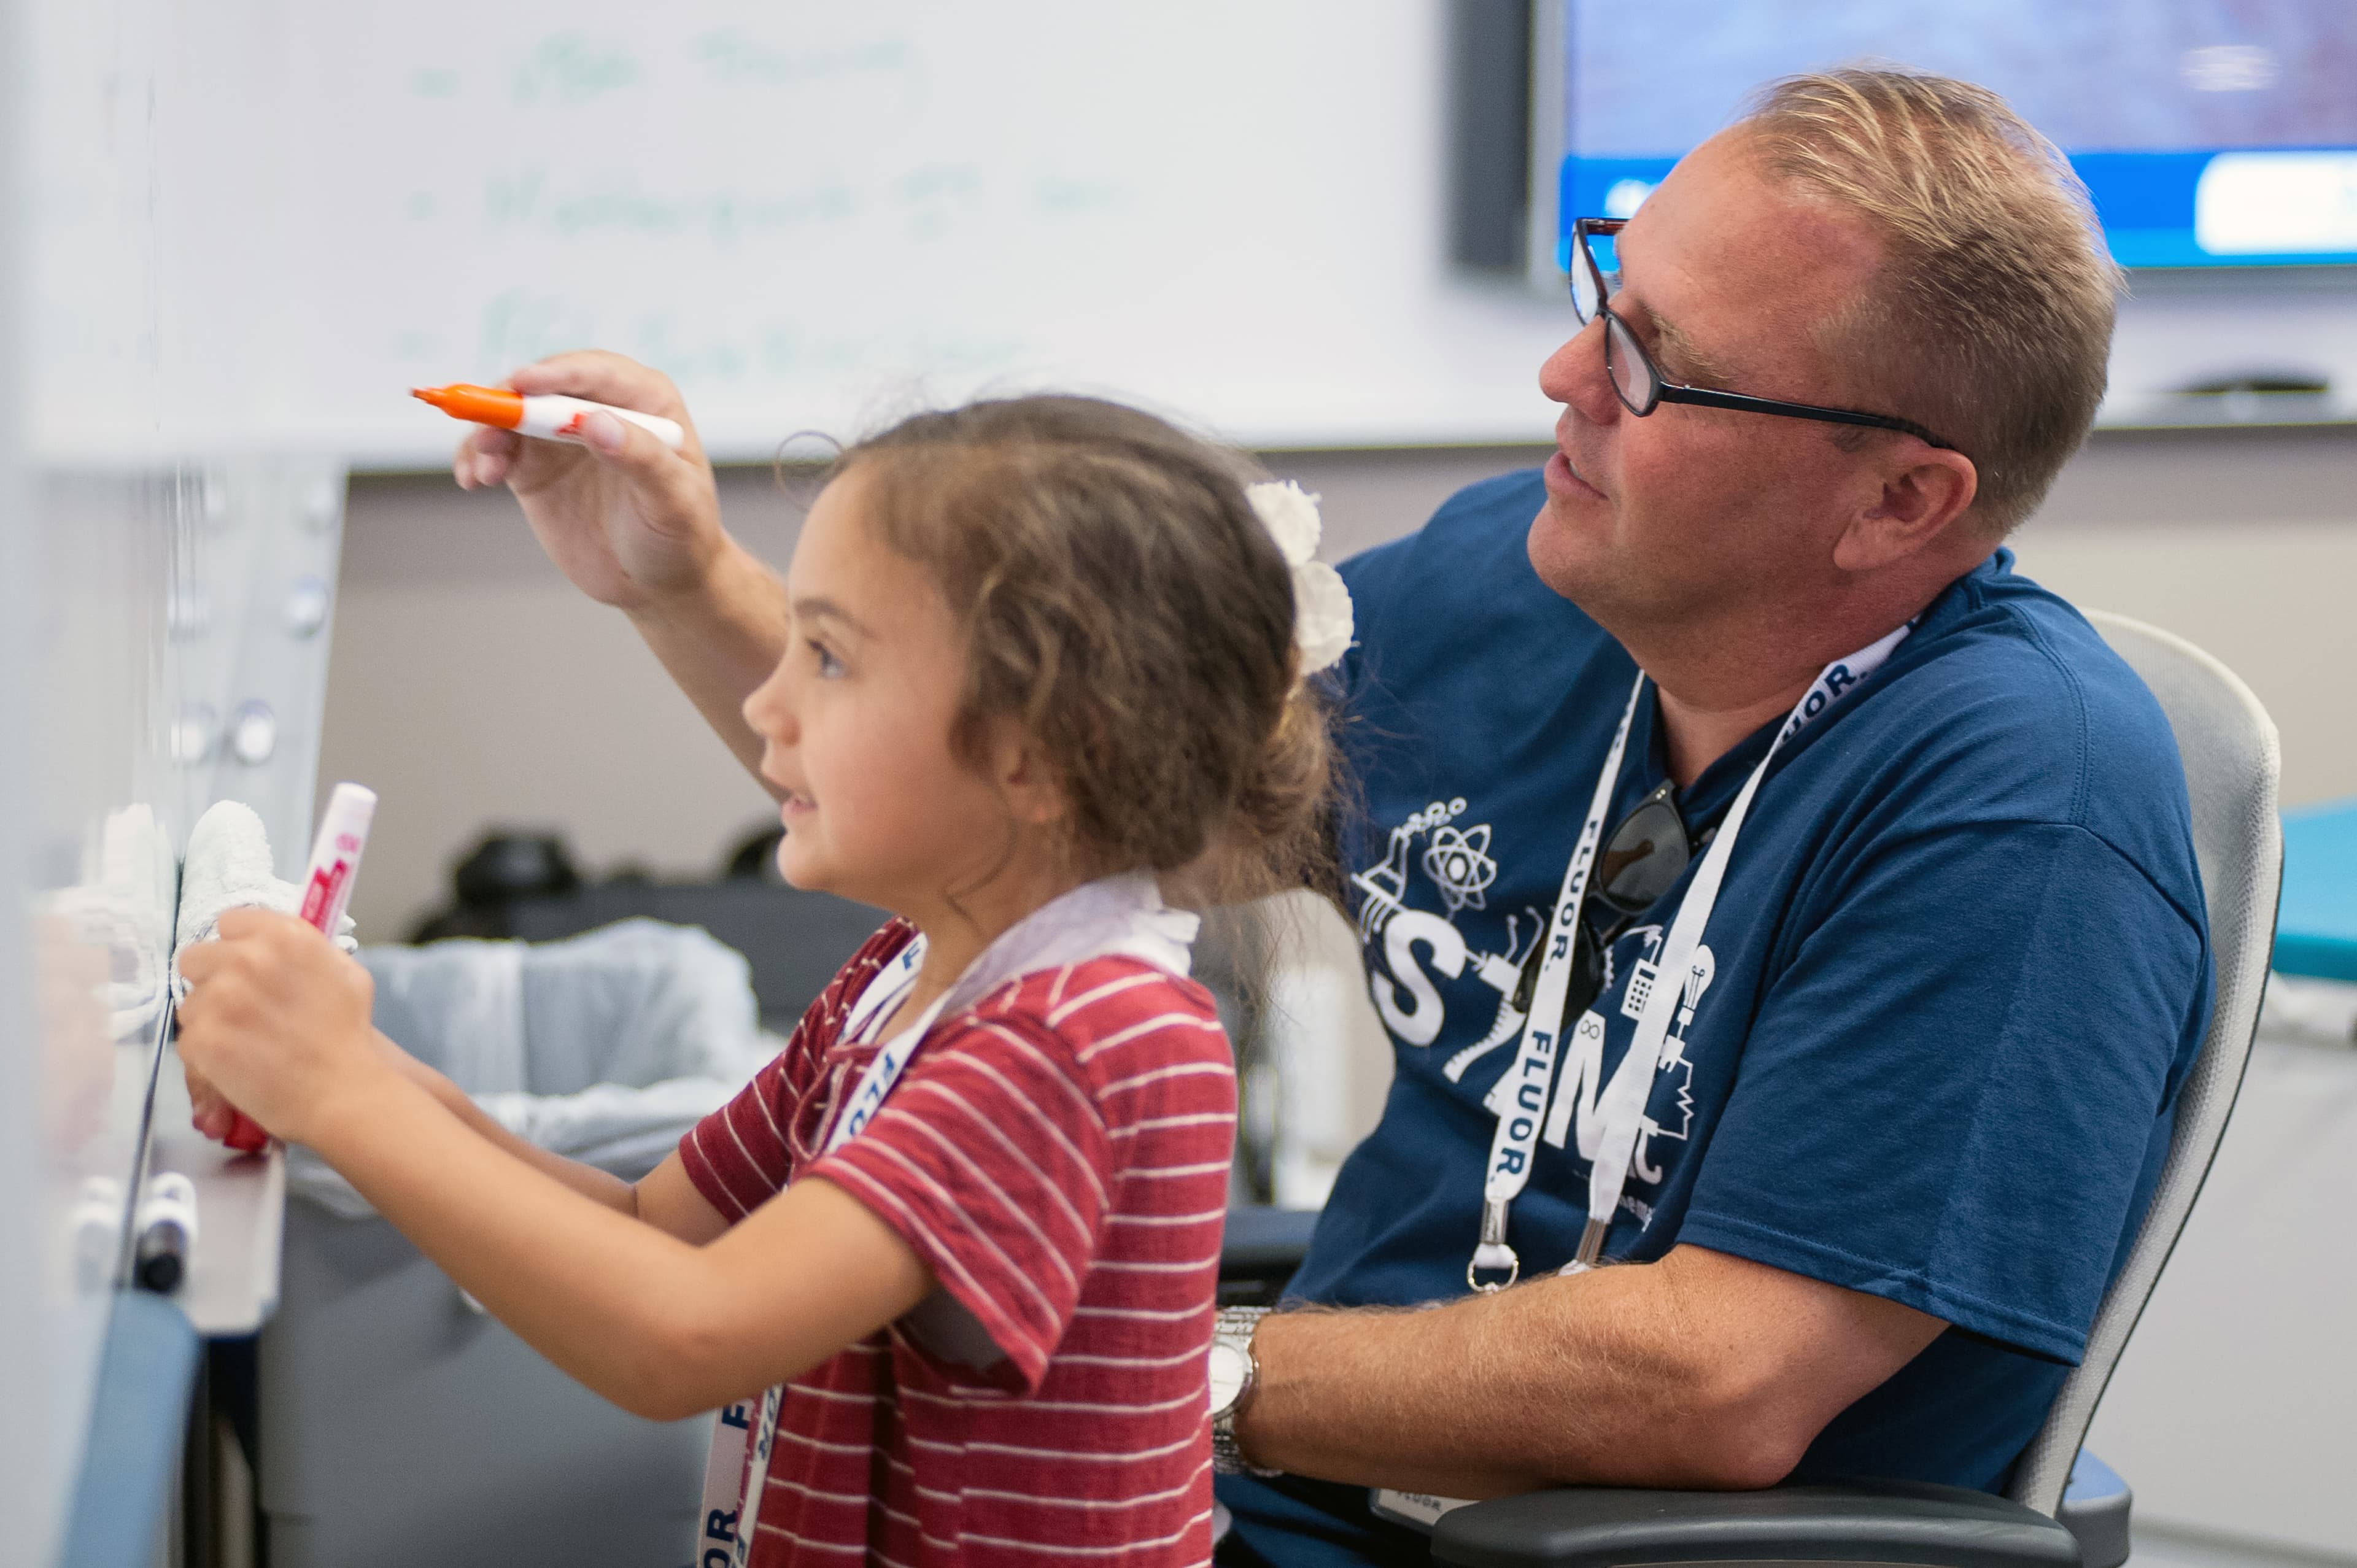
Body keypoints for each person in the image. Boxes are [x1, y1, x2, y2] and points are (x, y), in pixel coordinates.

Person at [261, 64, 2204, 1568]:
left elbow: (1724, 1382)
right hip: (1303, 1503)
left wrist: (1155, 1375)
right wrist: (680, 579)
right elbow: (1042, 786)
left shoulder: (2026, 808)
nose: (1562, 375)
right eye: (1606, 287)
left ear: (1900, 504)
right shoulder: (1534, 591)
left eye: (1654, 363)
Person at [176, 395, 1342, 1566]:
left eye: (828, 657)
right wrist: (348, 1062)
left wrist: (343, 1095)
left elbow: (686, 1337)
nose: (767, 702)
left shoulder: (1086, 1041)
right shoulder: (906, 979)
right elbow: (652, 1229)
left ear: (1034, 751)